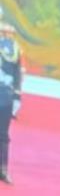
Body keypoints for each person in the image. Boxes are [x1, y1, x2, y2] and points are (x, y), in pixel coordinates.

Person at [0, 13, 21, 185]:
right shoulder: (14, 48)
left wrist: (16, 97)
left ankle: (3, 169)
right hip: (6, 95)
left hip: (5, 95)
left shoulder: (14, 48)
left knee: (3, 134)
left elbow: (16, 74)